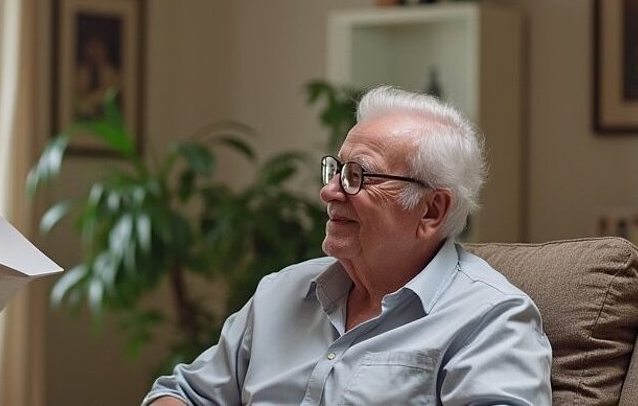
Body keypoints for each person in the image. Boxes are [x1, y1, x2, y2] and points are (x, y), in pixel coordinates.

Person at [144, 86, 552, 405]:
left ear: (431, 210)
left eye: (358, 176)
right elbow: (183, 393)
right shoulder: (280, 293)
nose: (329, 192)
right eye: (335, 170)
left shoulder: (490, 319)